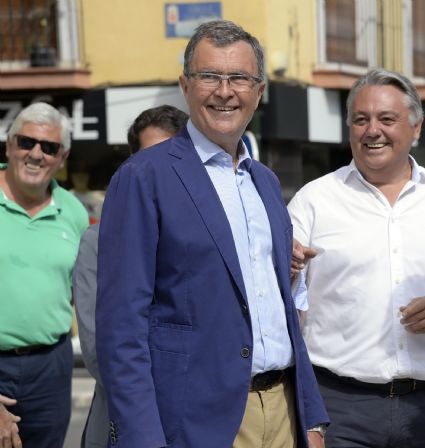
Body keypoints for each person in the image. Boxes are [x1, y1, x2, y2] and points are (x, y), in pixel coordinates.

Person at [95, 20, 328, 447]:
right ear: (185, 85)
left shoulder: (266, 183)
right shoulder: (144, 177)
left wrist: (310, 417)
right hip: (194, 422)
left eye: (239, 77)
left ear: (259, 91)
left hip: (282, 411)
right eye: (209, 77)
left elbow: (282, 312)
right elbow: (121, 330)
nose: (225, 91)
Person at [287, 68, 425, 448]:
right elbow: (283, 300)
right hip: (340, 408)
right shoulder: (314, 200)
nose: (372, 130)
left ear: (416, 127)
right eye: (361, 119)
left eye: (387, 119)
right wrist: (288, 270)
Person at [73, 105, 188, 448]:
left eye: (172, 155)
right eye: (149, 156)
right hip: (126, 423)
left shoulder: (209, 237)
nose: (160, 169)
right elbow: (100, 354)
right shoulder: (100, 240)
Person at [0, 102, 89, 448]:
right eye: (27, 142)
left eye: (49, 147)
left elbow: (78, 292)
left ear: (62, 157)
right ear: (9, 144)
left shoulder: (74, 213)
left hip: (50, 366)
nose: (36, 154)